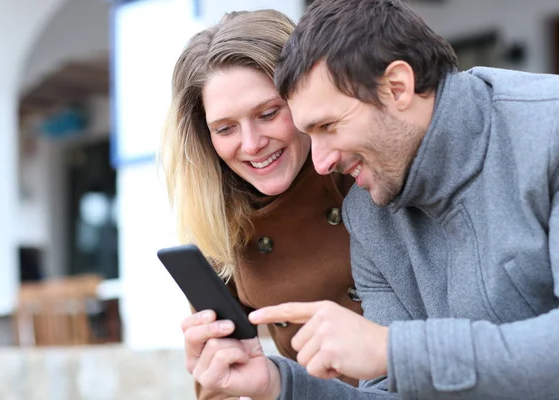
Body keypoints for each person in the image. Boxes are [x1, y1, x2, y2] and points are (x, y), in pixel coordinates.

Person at [188, 0, 559, 399]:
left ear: (397, 87)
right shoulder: (368, 215)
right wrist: (279, 385)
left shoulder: (547, 131)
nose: (322, 160)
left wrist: (392, 349)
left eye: (328, 125)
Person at [161, 9, 364, 399]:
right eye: (225, 128)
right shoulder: (220, 224)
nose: (251, 144)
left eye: (269, 113)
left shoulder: (366, 170)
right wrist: (218, 368)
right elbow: (220, 388)